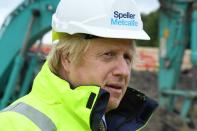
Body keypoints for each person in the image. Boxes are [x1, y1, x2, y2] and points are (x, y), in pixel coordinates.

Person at [0, 0, 158, 130]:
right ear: (67, 58)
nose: (123, 71)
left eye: (127, 57)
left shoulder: (115, 124)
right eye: (108, 55)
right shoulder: (15, 124)